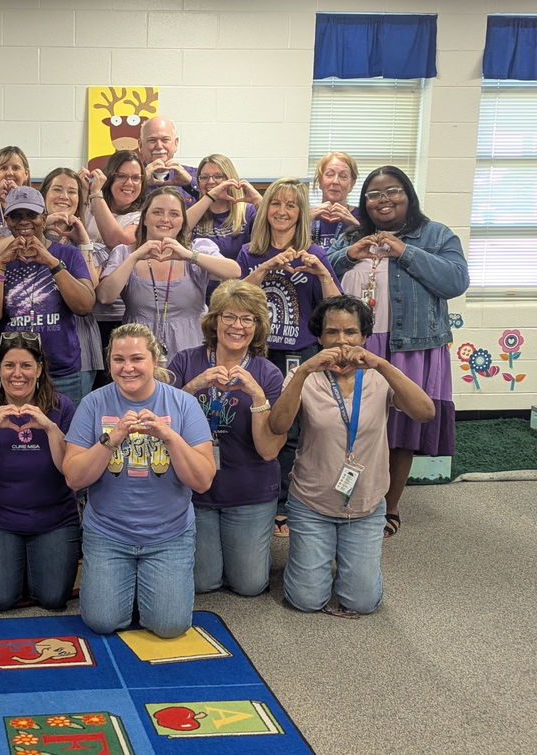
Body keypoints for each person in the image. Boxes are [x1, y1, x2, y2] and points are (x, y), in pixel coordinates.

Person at [268, 296, 434, 616]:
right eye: (332, 332)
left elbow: (425, 412)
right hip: (311, 503)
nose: (342, 342)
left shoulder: (380, 376)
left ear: (364, 337)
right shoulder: (304, 377)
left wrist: (383, 364)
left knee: (361, 601)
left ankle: (347, 560)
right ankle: (322, 556)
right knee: (305, 601)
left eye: (350, 332)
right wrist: (303, 371)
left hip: (366, 505)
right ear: (320, 338)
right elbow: (277, 425)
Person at [328, 166, 468, 538]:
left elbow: (455, 281)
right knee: (351, 423)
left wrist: (404, 251)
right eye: (374, 194)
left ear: (408, 194)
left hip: (412, 345)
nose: (384, 199)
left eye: (393, 191)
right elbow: (319, 272)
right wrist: (346, 255)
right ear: (364, 202)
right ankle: (350, 499)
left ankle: (390, 505)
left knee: (400, 428)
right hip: (358, 343)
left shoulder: (435, 234)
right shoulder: (351, 235)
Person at [63, 323, 216, 638]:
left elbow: (202, 481)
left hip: (169, 536)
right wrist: (112, 438)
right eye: (119, 360)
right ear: (109, 363)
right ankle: (130, 587)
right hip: (108, 534)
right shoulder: (93, 403)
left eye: (136, 359)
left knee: (170, 627)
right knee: (101, 622)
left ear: (155, 360)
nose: (127, 368)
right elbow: (74, 478)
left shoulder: (183, 404)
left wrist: (169, 436)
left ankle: (142, 587)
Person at [237, 177, 342, 536]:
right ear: (265, 210)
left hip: (300, 353)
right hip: (258, 353)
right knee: (253, 423)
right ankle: (256, 496)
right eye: (276, 204)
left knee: (294, 430)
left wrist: (321, 271)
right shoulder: (250, 251)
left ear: (301, 213)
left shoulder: (316, 252)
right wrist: (264, 269)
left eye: (291, 205)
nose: (282, 211)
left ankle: (285, 501)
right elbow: (234, 300)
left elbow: (334, 309)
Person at [168, 280, 285, 596]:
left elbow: (269, 450)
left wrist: (257, 396)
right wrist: (193, 386)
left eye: (248, 319)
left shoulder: (268, 374)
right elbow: (162, 424)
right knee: (203, 583)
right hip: (197, 489)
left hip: (250, 489)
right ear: (214, 320)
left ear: (257, 326)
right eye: (229, 316)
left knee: (249, 585)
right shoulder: (185, 362)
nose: (238, 326)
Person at [0, 333, 78, 611]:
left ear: (39, 370)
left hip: (54, 519)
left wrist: (50, 428)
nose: (17, 374)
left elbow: (71, 473)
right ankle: (15, 565)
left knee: (52, 599)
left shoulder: (62, 407)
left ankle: (27, 565)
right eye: (9, 365)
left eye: (26, 365)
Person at [0, 186, 94, 405]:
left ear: (44, 217)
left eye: (31, 215)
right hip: (15, 374)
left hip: (62, 372)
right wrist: (0, 265)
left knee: (65, 436)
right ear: (7, 221)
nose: (24, 222)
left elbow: (84, 305)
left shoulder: (67, 254)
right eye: (15, 216)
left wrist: (51, 262)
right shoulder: (0, 261)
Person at [98, 187, 240, 362]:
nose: (165, 219)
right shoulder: (124, 253)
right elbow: (105, 296)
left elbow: (234, 271)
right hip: (138, 354)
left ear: (182, 221)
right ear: (144, 219)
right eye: (157, 212)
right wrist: (134, 257)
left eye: (174, 214)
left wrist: (188, 255)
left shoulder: (197, 249)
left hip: (192, 350)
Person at [82, 149, 146, 385]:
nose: (129, 183)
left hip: (116, 314)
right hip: (85, 311)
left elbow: (118, 239)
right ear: (110, 178)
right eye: (121, 176)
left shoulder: (140, 216)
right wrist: (82, 191)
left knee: (115, 381)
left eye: (136, 177)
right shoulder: (91, 205)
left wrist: (96, 194)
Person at [40, 167, 103, 396]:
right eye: (57, 189)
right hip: (29, 350)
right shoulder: (21, 233)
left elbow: (92, 288)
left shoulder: (92, 244)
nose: (64, 196)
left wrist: (83, 240)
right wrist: (42, 226)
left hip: (79, 353)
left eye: (72, 191)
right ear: (44, 195)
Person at [186, 154, 261, 265]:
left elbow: (273, 231)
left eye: (218, 176)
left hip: (238, 280)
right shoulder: (195, 211)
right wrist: (211, 196)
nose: (210, 181)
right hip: (202, 281)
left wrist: (258, 200)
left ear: (230, 179)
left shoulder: (247, 212)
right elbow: (179, 229)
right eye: (204, 177)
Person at [137, 116, 201, 206]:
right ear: (140, 145)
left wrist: (190, 183)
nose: (159, 146)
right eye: (152, 140)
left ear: (176, 143)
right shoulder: (127, 180)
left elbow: (216, 205)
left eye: (165, 140)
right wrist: (140, 183)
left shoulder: (197, 175)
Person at [311, 152, 360, 249]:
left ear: (352, 184)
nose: (335, 181)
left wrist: (356, 227)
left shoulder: (362, 216)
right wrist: (303, 222)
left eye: (343, 176)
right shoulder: (305, 216)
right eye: (330, 174)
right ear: (320, 181)